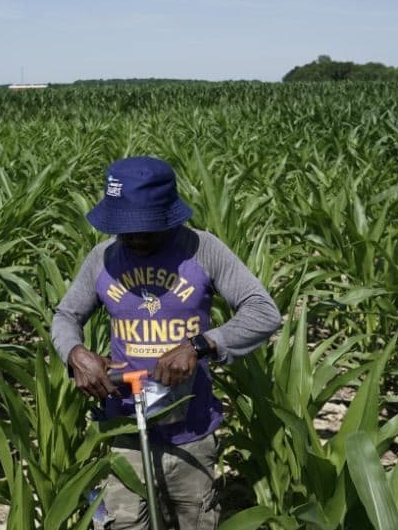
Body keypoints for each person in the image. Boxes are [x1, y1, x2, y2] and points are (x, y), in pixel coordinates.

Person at [51, 156, 281, 530]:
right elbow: (66, 316)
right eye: (127, 228)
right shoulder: (103, 258)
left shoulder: (203, 250)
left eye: (147, 227)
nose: (137, 237)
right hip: (124, 430)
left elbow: (263, 312)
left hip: (191, 434)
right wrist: (75, 353)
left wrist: (200, 345)